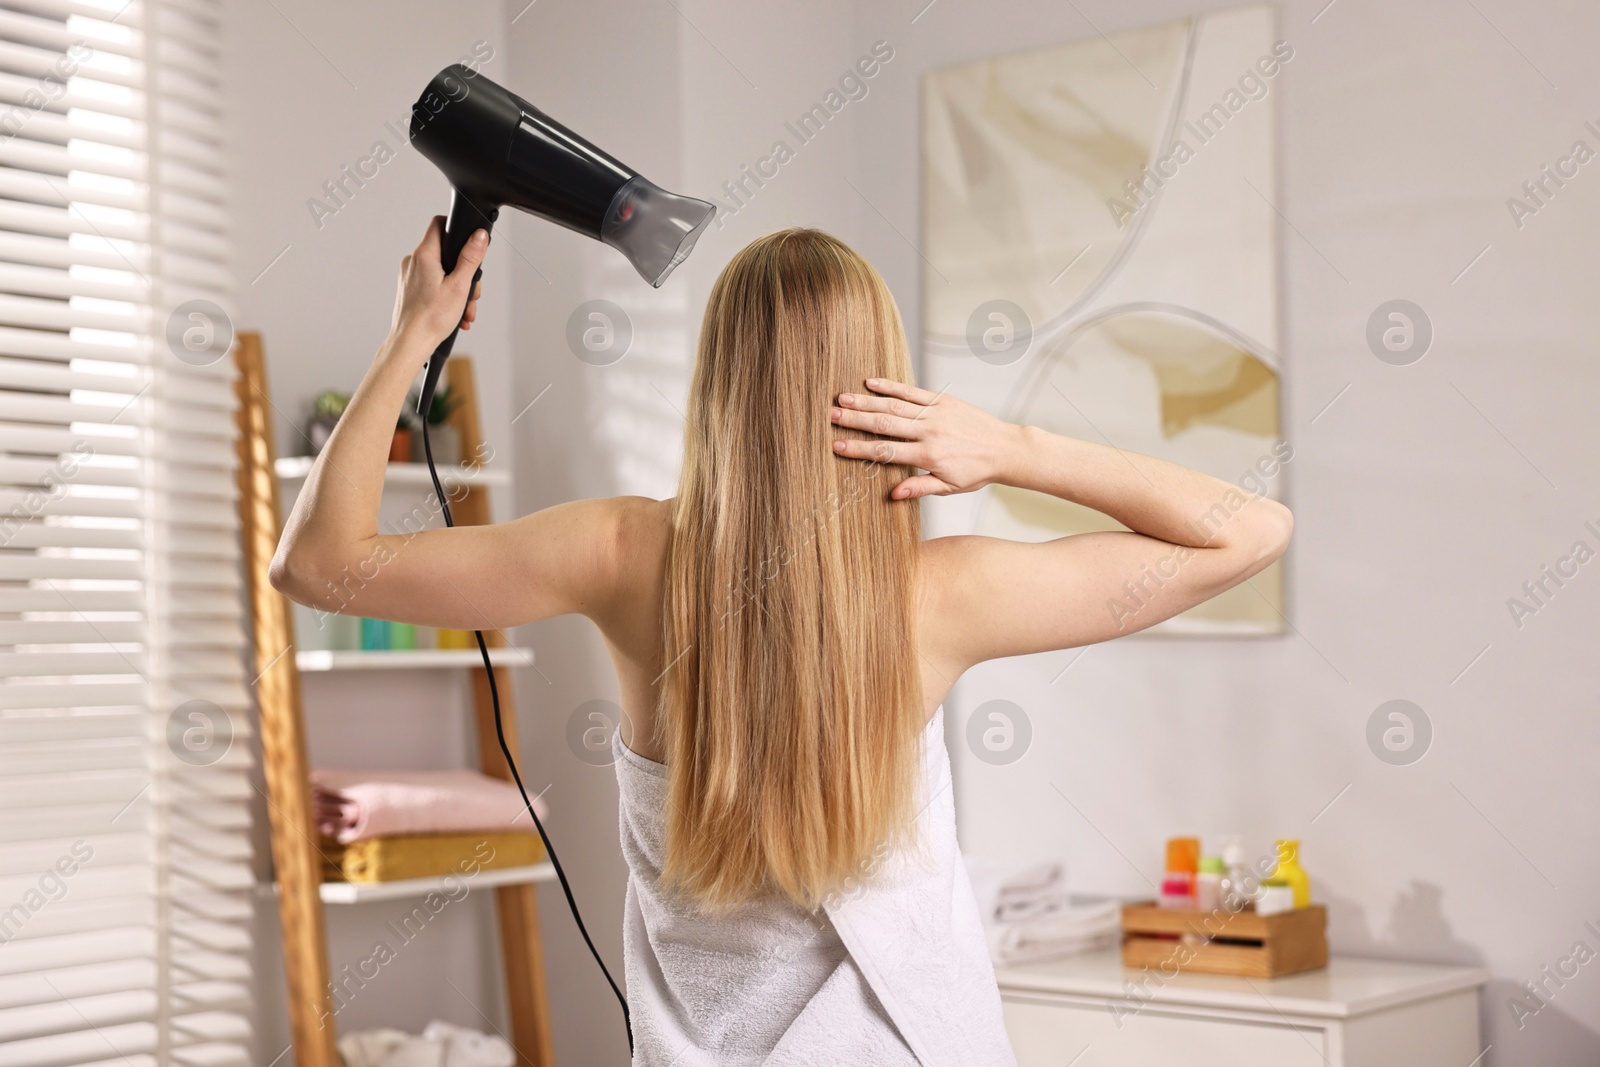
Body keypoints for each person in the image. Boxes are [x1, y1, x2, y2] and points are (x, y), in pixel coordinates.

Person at [272, 220, 1292, 1065]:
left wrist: (412, 333)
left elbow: (317, 563)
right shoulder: (940, 596)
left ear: (718, 379)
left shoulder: (621, 552)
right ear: (885, 388)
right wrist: (1011, 447)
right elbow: (1249, 531)